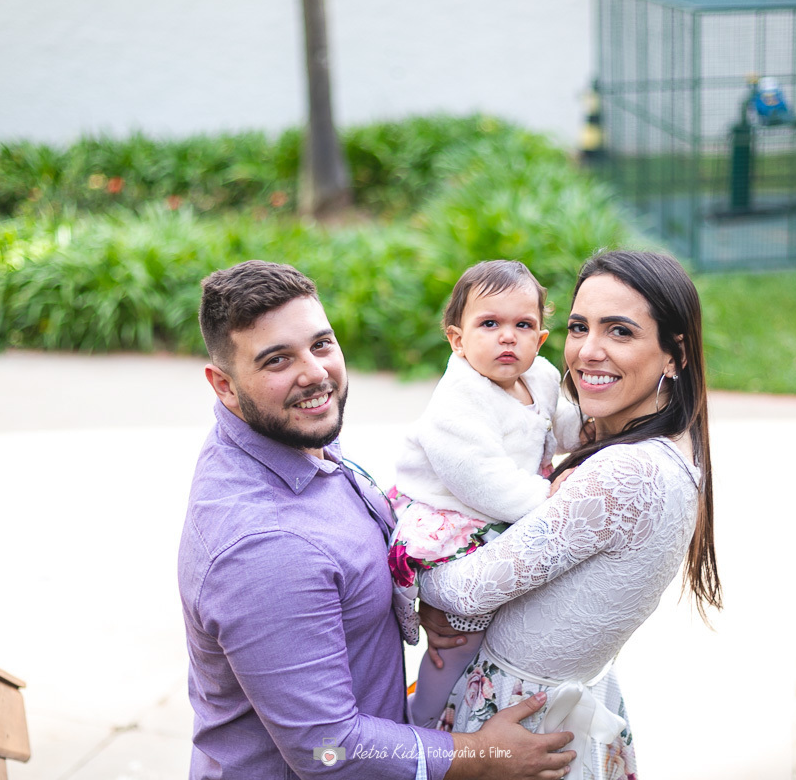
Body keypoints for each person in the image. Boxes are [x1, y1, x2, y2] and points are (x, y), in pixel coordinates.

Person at [177, 259, 578, 780]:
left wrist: (409, 599)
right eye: (277, 359)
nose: (315, 373)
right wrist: (484, 755)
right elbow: (328, 750)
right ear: (225, 386)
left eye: (321, 344)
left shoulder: (288, 436)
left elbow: (340, 577)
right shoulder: (265, 550)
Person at [418, 250, 723, 780]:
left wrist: (410, 571)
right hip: (552, 707)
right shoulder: (667, 448)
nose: (587, 351)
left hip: (519, 726)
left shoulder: (627, 473)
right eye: (579, 327)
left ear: (674, 355)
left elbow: (468, 592)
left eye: (620, 331)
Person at [389, 260, 583, 729]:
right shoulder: (459, 398)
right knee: (459, 639)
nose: (507, 337)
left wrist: (589, 433)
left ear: (540, 339)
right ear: (458, 340)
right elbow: (479, 478)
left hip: (503, 505)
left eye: (523, 325)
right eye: (490, 324)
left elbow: (561, 426)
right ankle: (423, 718)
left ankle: (464, 702)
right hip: (454, 513)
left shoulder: (540, 377)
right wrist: (549, 497)